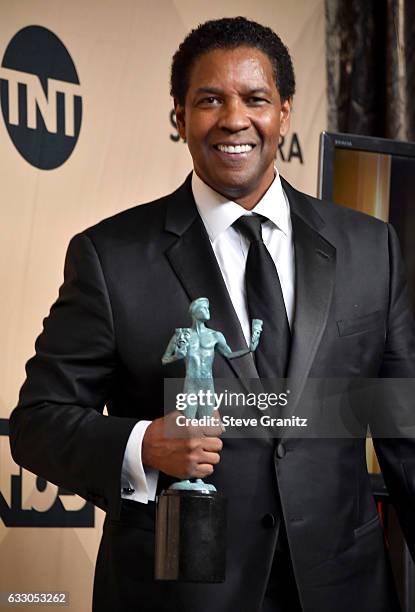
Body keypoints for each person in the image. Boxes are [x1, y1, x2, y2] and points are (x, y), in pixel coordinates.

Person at [9, 16, 415, 612]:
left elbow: (405, 431)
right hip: (179, 593)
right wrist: (144, 443)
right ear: (179, 116)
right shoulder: (110, 257)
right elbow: (37, 423)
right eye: (209, 100)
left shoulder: (370, 247)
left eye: (255, 99)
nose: (234, 119)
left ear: (285, 111)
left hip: (344, 589)